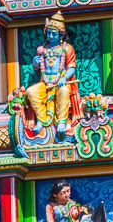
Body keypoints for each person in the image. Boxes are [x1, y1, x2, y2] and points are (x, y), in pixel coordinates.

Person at [27, 12, 82, 140]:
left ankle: (61, 122)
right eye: (49, 33)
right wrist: (35, 62)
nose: (51, 36)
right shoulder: (43, 49)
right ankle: (42, 119)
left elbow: (72, 67)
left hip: (60, 81)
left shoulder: (67, 48)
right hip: (45, 82)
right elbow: (37, 67)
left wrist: (64, 78)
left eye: (54, 34)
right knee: (31, 91)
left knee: (63, 91)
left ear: (61, 35)